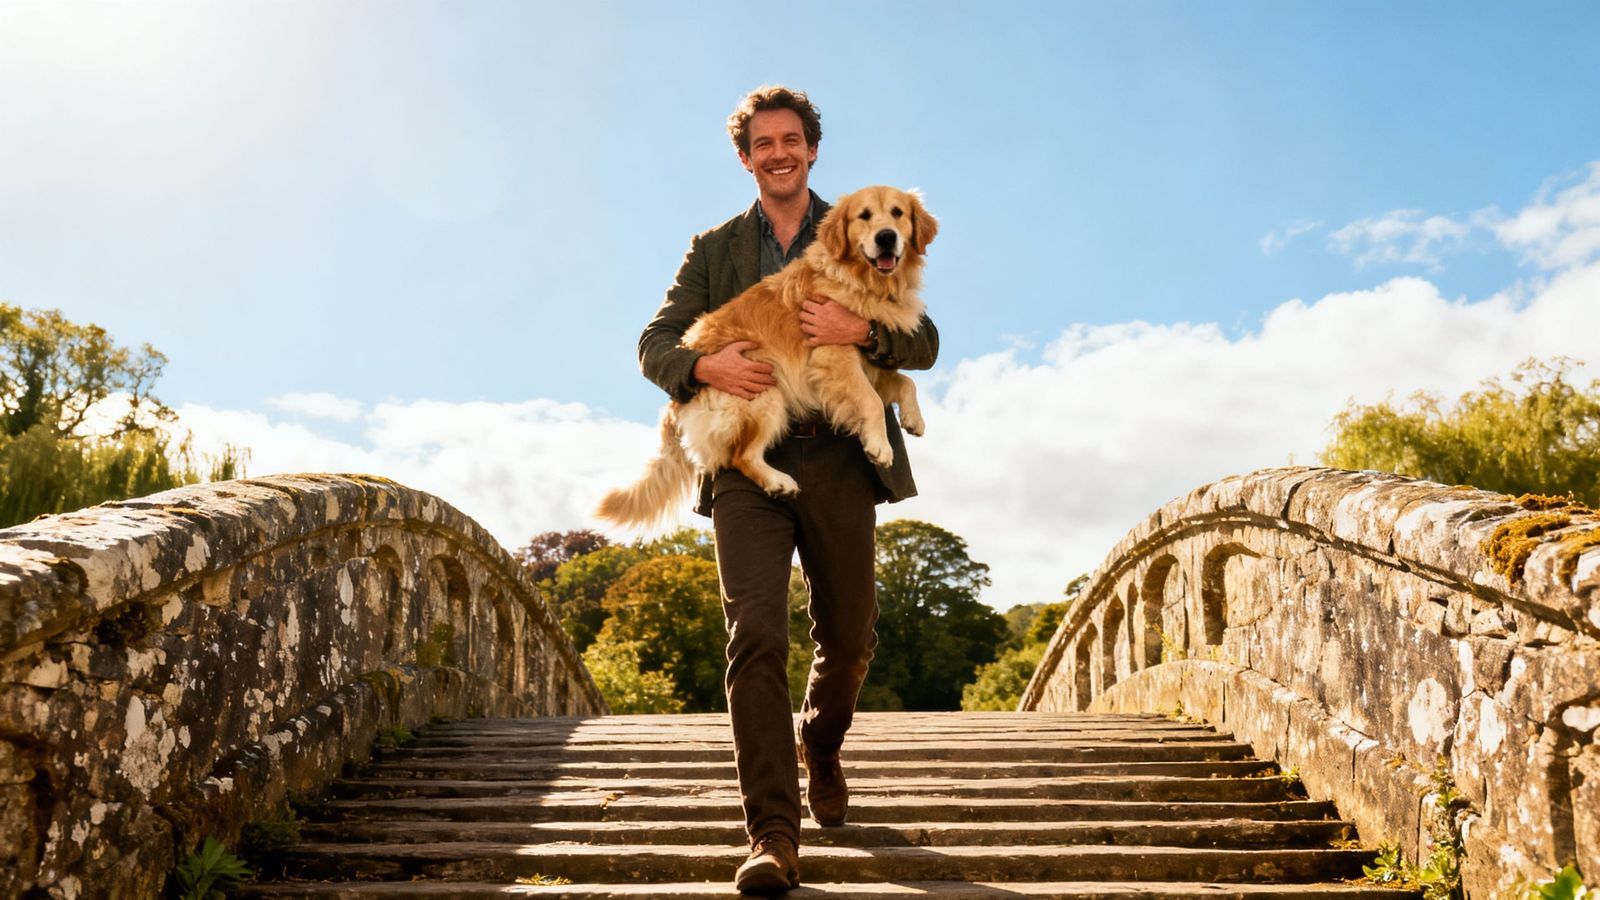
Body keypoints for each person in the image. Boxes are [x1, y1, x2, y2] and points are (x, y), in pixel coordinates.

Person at [636, 85, 938, 894]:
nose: (778, 153)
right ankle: (773, 834)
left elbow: (927, 341)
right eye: (763, 143)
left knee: (850, 636)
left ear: (811, 150)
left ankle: (824, 743)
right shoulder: (715, 249)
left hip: (839, 458)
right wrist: (703, 367)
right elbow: (655, 341)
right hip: (748, 462)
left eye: (791, 140)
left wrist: (862, 332)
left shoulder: (868, 224)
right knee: (756, 637)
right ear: (746, 157)